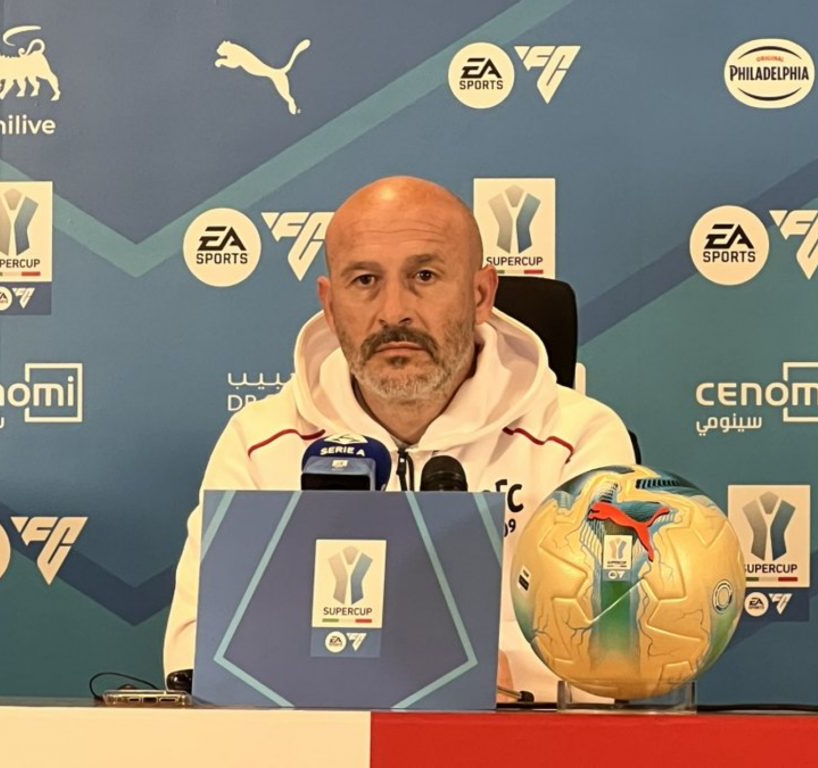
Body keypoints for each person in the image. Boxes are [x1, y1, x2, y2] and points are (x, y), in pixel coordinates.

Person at [164, 176, 635, 700]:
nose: (393, 311)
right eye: (365, 280)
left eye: (424, 276)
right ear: (330, 305)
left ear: (480, 295)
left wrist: (350, 664)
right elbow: (194, 652)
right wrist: (451, 668)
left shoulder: (576, 438)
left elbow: (610, 650)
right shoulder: (260, 443)